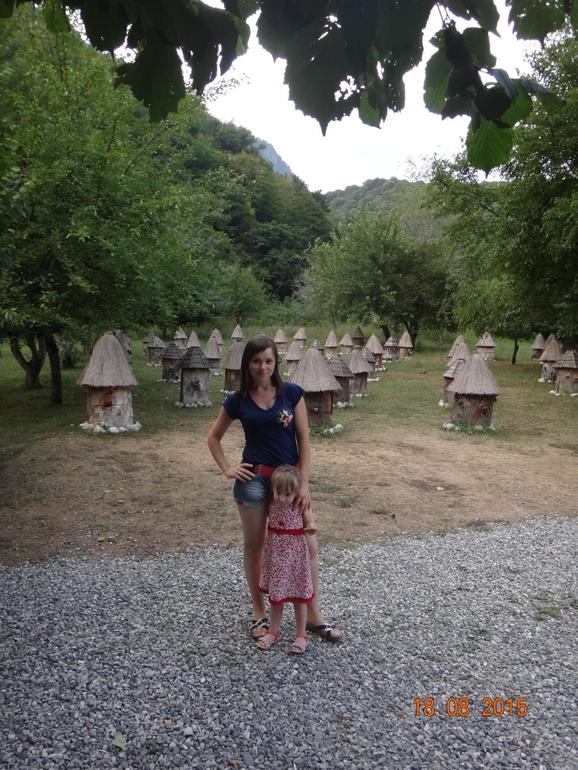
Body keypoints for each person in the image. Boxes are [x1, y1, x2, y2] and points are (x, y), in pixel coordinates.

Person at [207, 334, 342, 643]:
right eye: (256, 361)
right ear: (247, 364)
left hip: (291, 483)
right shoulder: (237, 400)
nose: (263, 367)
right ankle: (260, 612)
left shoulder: (291, 393)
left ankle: (313, 615)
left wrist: (304, 482)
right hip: (254, 482)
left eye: (268, 361)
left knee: (307, 547)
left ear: (275, 362)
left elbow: (304, 438)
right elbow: (213, 438)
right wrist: (227, 468)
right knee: (255, 547)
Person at [257, 465, 317, 654]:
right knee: (277, 597)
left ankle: (301, 635)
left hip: (295, 558)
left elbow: (309, 522)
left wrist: (311, 526)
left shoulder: (300, 504)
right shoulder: (271, 504)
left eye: (288, 494)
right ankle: (273, 631)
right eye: (279, 493)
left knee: (299, 598)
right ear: (273, 490)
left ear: (296, 492)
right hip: (277, 558)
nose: (282, 498)